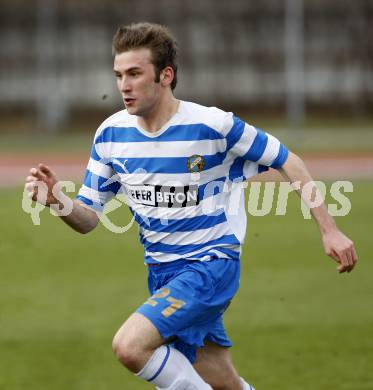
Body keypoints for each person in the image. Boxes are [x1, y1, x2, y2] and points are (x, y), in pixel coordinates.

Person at [25, 22, 358, 390]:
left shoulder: (211, 125)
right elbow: (88, 219)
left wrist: (330, 229)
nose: (124, 85)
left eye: (135, 73)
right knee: (221, 380)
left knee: (130, 347)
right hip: (163, 274)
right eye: (119, 74)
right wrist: (58, 201)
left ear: (165, 75)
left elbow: (288, 160)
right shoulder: (111, 134)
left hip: (211, 265)